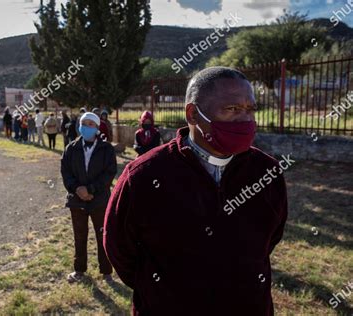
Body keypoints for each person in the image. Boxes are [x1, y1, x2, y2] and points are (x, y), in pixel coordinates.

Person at [104, 67, 288, 315]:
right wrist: (161, 291)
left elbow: (268, 240)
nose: (245, 120)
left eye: (250, 109)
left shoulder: (268, 174)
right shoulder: (144, 176)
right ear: (193, 114)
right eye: (232, 109)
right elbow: (120, 249)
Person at [61, 112, 117, 283]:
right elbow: (66, 172)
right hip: (77, 200)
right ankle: (79, 270)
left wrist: (91, 189)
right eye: (83, 123)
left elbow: (109, 173)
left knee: (103, 235)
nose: (86, 127)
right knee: (79, 236)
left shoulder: (106, 149)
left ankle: (106, 271)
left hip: (99, 200)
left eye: (90, 124)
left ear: (96, 127)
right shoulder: (71, 148)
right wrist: (77, 188)